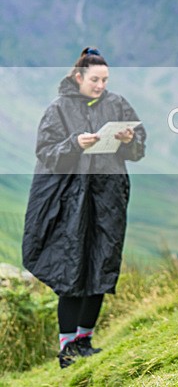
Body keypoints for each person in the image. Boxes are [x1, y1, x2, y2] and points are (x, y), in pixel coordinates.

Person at [22, 48, 146, 368]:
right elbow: (46, 152)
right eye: (94, 79)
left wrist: (129, 138)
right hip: (69, 202)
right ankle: (67, 349)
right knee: (71, 268)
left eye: (105, 79)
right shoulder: (58, 109)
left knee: (101, 265)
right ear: (78, 77)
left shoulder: (117, 103)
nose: (100, 85)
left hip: (108, 198)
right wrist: (75, 143)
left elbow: (138, 149)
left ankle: (85, 341)